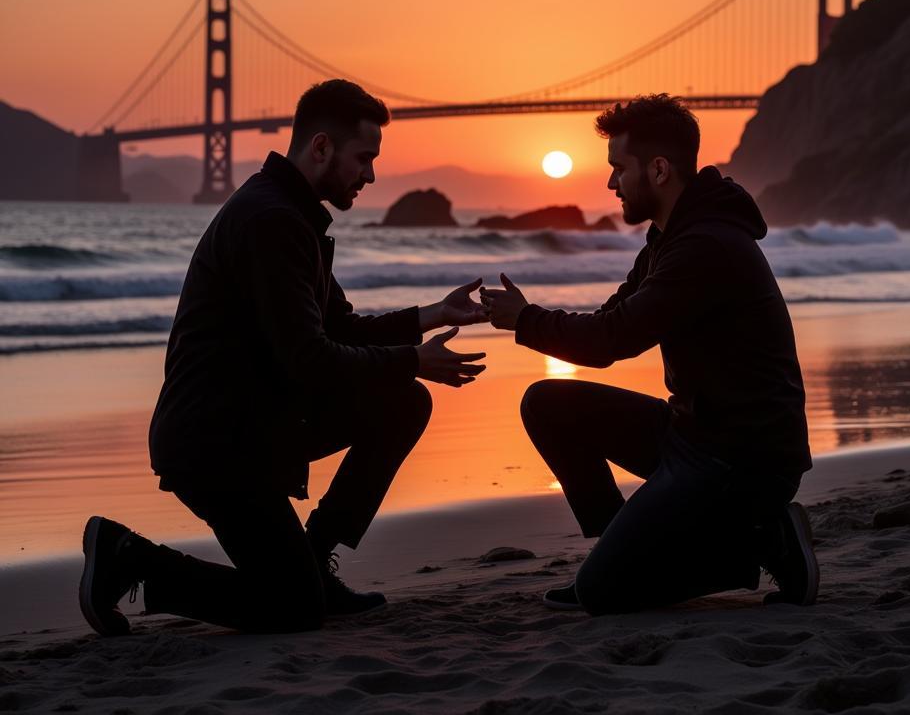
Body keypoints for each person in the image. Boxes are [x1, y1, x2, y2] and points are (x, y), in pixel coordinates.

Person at [79, 79, 488, 635]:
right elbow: (311, 360)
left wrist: (433, 314)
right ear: (320, 147)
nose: (370, 174)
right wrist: (414, 359)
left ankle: (314, 561)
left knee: (401, 401)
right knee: (292, 608)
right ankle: (129, 558)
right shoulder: (270, 221)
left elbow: (340, 326)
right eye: (364, 157)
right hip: (215, 444)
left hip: (258, 425)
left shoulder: (293, 215)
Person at [481, 94, 817, 615]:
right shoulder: (669, 237)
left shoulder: (704, 247)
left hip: (742, 457)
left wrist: (525, 320)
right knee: (546, 403)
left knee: (600, 595)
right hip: (696, 434)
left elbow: (612, 341)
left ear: (659, 170)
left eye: (619, 168)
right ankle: (622, 545)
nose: (611, 183)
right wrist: (530, 320)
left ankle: (762, 541)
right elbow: (609, 320)